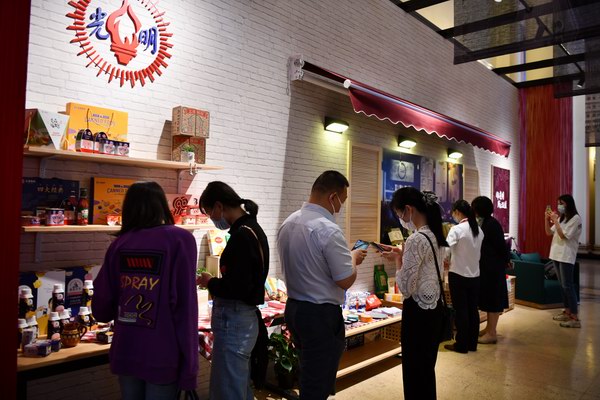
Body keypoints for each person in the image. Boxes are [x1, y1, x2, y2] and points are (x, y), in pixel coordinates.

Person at [93, 181, 199, 400]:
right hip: (162, 352)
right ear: (161, 205)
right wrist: (190, 366)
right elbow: (185, 308)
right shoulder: (180, 240)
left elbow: (101, 309)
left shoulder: (119, 245)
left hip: (126, 350)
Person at [277, 170, 367, 400]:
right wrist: (353, 258)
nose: (340, 207)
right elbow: (345, 279)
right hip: (320, 315)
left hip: (294, 309)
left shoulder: (288, 222)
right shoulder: (328, 229)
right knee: (317, 382)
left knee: (308, 373)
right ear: (332, 197)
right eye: (342, 201)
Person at [196, 181, 269, 399]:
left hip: (235, 321)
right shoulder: (252, 229)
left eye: (209, 212)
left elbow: (237, 287)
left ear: (219, 206)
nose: (212, 218)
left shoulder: (242, 236)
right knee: (237, 385)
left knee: (228, 390)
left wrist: (210, 282)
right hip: (243, 320)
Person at [380, 187, 448, 400]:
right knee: (426, 370)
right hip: (434, 309)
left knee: (414, 372)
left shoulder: (415, 239)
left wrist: (398, 260)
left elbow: (406, 287)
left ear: (409, 210)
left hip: (417, 313)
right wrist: (403, 254)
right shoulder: (436, 235)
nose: (401, 219)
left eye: (399, 214)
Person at [443, 200, 483, 353]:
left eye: (453, 213)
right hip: (475, 275)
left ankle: (461, 344)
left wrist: (445, 261)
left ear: (458, 212)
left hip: (458, 274)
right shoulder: (479, 230)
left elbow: (446, 251)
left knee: (461, 311)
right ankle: (472, 344)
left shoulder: (457, 229)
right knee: (473, 310)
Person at [472, 196, 509, 344]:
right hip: (487, 268)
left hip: (493, 269)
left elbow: (501, 247)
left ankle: (492, 333)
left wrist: (505, 261)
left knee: (493, 300)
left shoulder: (492, 224)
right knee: (488, 299)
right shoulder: (485, 222)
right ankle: (489, 328)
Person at [545, 194, 582, 328]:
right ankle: (567, 312)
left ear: (568, 204)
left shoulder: (576, 219)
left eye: (561, 203)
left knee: (568, 286)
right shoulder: (562, 218)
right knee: (562, 286)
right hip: (556, 254)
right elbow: (548, 232)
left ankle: (575, 317)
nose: (559, 206)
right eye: (558, 203)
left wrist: (555, 220)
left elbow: (563, 236)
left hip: (566, 256)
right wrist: (546, 219)